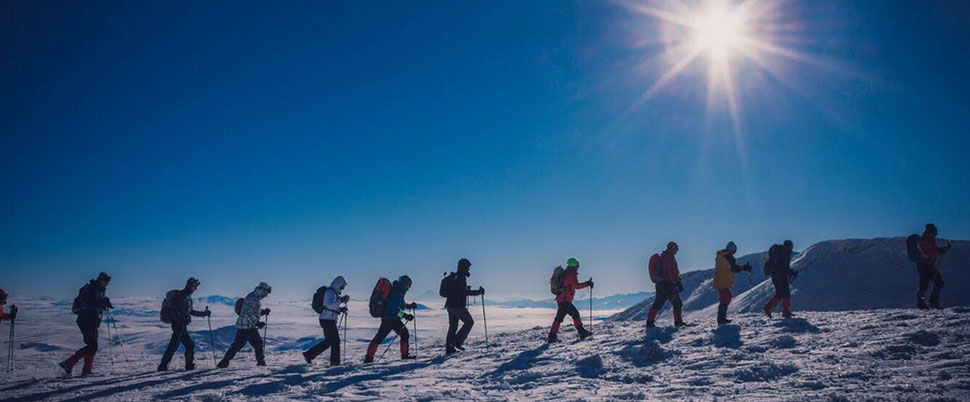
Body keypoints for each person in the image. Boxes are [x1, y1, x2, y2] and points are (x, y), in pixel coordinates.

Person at [59, 272, 113, 376]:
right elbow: (87, 304)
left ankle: (85, 370)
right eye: (106, 282)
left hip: (92, 321)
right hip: (86, 320)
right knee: (92, 346)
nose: (107, 284)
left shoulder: (99, 290)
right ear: (101, 280)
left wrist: (105, 303)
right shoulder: (90, 289)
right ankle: (70, 363)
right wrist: (102, 304)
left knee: (92, 346)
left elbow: (95, 304)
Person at [158, 277, 211, 371]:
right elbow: (176, 311)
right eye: (195, 286)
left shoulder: (187, 296)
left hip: (180, 325)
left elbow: (190, 311)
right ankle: (186, 366)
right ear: (191, 286)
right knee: (185, 345)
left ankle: (164, 366)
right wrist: (181, 317)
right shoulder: (182, 296)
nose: (196, 289)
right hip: (178, 325)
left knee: (177, 345)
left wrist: (203, 314)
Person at [218, 282, 272, 368]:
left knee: (237, 345)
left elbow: (250, 311)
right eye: (266, 292)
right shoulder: (254, 299)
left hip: (243, 325)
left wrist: (263, 312)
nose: (267, 295)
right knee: (258, 344)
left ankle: (223, 363)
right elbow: (248, 314)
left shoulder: (252, 296)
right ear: (262, 290)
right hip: (248, 326)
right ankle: (261, 363)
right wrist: (257, 323)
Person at [364, 275, 417, 362]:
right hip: (391, 319)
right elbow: (394, 308)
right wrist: (404, 315)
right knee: (404, 333)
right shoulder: (397, 292)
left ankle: (368, 357)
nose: (409, 287)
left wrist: (409, 306)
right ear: (404, 284)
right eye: (408, 285)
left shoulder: (398, 291)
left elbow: (399, 305)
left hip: (387, 318)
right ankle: (405, 356)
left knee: (379, 337)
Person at [303, 276, 349, 366]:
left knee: (329, 341)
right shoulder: (330, 292)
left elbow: (330, 307)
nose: (342, 289)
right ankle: (335, 364)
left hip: (326, 320)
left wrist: (340, 309)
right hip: (328, 320)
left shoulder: (332, 292)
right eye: (342, 286)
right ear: (338, 285)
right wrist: (341, 300)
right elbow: (329, 305)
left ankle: (309, 354)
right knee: (335, 342)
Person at [443, 258, 485, 355]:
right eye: (468, 267)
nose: (469, 270)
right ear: (464, 267)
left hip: (450, 305)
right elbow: (464, 292)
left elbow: (459, 291)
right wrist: (477, 292)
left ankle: (450, 348)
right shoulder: (461, 278)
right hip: (458, 306)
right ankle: (457, 342)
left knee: (453, 326)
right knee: (469, 322)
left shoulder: (455, 277)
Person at [547, 258, 593, 343]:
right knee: (574, 314)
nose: (578, 267)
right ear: (575, 265)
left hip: (562, 299)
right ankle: (581, 332)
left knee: (560, 318)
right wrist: (587, 284)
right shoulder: (571, 274)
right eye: (577, 265)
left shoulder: (566, 272)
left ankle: (552, 336)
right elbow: (576, 286)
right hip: (565, 300)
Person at [646, 242, 687, 328]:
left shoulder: (663, 257)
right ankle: (678, 322)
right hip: (668, 284)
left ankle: (649, 322)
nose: (677, 251)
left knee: (658, 303)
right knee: (677, 303)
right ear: (673, 248)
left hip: (660, 284)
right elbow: (671, 273)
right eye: (676, 248)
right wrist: (677, 283)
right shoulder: (669, 258)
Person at [712, 241, 752, 325]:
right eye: (734, 251)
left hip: (720, 280)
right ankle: (721, 319)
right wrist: (744, 267)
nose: (734, 253)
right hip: (723, 281)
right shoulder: (728, 257)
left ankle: (722, 318)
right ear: (732, 250)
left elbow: (732, 268)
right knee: (726, 298)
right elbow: (734, 268)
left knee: (726, 297)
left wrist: (742, 267)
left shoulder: (722, 256)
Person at [917, 223, 952, 309]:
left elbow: (935, 251)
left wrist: (944, 249)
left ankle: (930, 302)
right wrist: (940, 250)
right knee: (925, 284)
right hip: (923, 264)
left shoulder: (931, 240)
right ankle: (925, 303)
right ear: (929, 232)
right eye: (934, 233)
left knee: (937, 283)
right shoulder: (923, 240)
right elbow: (929, 252)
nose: (935, 235)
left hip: (929, 265)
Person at [762, 240, 796, 318]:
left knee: (781, 293)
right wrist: (791, 272)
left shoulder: (779, 253)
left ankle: (774, 308)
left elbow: (781, 266)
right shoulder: (784, 254)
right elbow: (783, 267)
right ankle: (784, 311)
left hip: (775, 275)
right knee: (784, 293)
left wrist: (789, 272)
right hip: (781, 276)